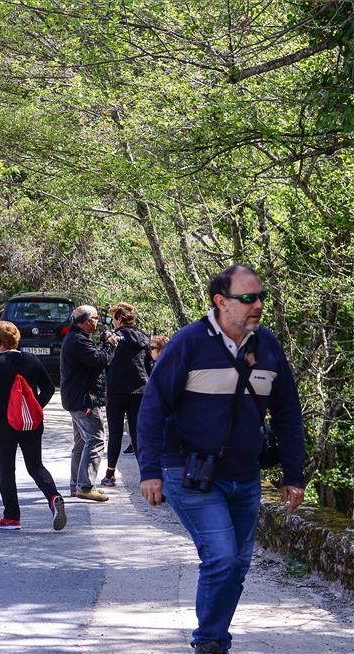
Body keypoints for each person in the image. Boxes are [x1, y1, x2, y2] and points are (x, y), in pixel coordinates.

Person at [138, 265, 305, 654]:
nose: (258, 305)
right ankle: (210, 641)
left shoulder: (268, 347)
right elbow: (153, 408)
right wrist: (150, 471)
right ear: (221, 301)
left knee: (238, 565)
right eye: (248, 298)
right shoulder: (189, 343)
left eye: (260, 297)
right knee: (223, 557)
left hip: (244, 474)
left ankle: (213, 637)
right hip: (188, 470)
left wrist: (293, 474)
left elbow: (288, 415)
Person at [0, 321, 66, 531]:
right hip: (32, 422)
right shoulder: (32, 359)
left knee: (6, 469)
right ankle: (54, 497)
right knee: (35, 465)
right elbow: (48, 388)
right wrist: (35, 407)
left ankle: (12, 517)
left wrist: (1, 410)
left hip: (4, 424)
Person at [60, 305, 117, 501]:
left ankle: (76, 484)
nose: (98, 322)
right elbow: (99, 361)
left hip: (76, 398)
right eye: (96, 318)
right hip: (84, 400)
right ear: (87, 322)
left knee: (82, 442)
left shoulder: (76, 338)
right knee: (96, 440)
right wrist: (110, 345)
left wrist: (104, 345)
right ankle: (85, 486)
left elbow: (94, 359)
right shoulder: (78, 341)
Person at [101, 303, 151, 486]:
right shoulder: (145, 338)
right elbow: (149, 365)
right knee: (138, 434)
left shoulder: (112, 337)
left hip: (115, 390)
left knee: (115, 433)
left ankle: (110, 474)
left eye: (114, 318)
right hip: (140, 390)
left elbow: (104, 361)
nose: (112, 322)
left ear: (120, 319)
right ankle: (146, 474)